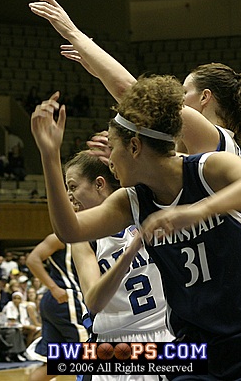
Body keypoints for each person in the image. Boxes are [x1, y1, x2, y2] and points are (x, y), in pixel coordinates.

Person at [30, 76, 241, 379]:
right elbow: (69, 231)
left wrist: (197, 211)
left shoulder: (206, 168)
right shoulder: (131, 202)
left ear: (135, 146)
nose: (109, 161)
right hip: (192, 348)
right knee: (59, 361)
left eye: (112, 149)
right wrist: (49, 157)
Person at [29, 0, 241, 159]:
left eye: (184, 93)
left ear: (205, 97)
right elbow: (136, 103)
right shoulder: (197, 149)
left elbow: (134, 94)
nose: (178, 99)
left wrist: (73, 32)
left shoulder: (215, 137)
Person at [66, 151, 173, 380]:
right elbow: (93, 301)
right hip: (113, 342)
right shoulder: (83, 238)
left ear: (99, 184)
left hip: (166, 333)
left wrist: (125, 157)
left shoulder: (146, 208)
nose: (69, 196)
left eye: (73, 187)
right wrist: (130, 252)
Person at [26, 233, 89, 381]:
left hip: (55, 302)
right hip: (68, 299)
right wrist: (53, 287)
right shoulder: (61, 237)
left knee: (55, 362)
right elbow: (32, 260)